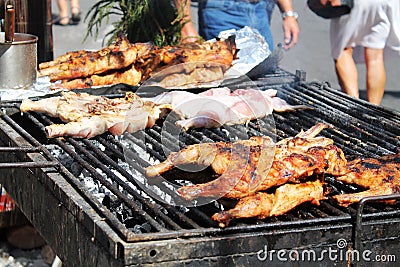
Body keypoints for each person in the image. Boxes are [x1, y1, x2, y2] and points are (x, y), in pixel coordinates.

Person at [329, 0, 400, 106]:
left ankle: (354, 105)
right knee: (375, 57)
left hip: (353, 3)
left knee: (343, 51)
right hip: (384, 3)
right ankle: (373, 108)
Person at [175, 0, 299, 51]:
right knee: (226, 78)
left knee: (265, 76)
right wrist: (185, 27)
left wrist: (288, 13)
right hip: (222, 12)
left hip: (260, 10)